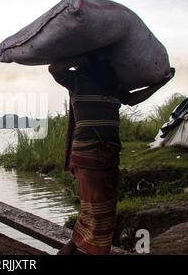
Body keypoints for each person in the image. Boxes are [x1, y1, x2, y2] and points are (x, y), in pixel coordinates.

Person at [48, 54, 174, 255]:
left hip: (109, 155)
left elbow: (132, 99)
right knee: (100, 213)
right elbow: (54, 68)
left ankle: (72, 246)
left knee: (97, 209)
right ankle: (93, 250)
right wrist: (85, 56)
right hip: (88, 157)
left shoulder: (113, 84)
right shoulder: (76, 80)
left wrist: (160, 83)